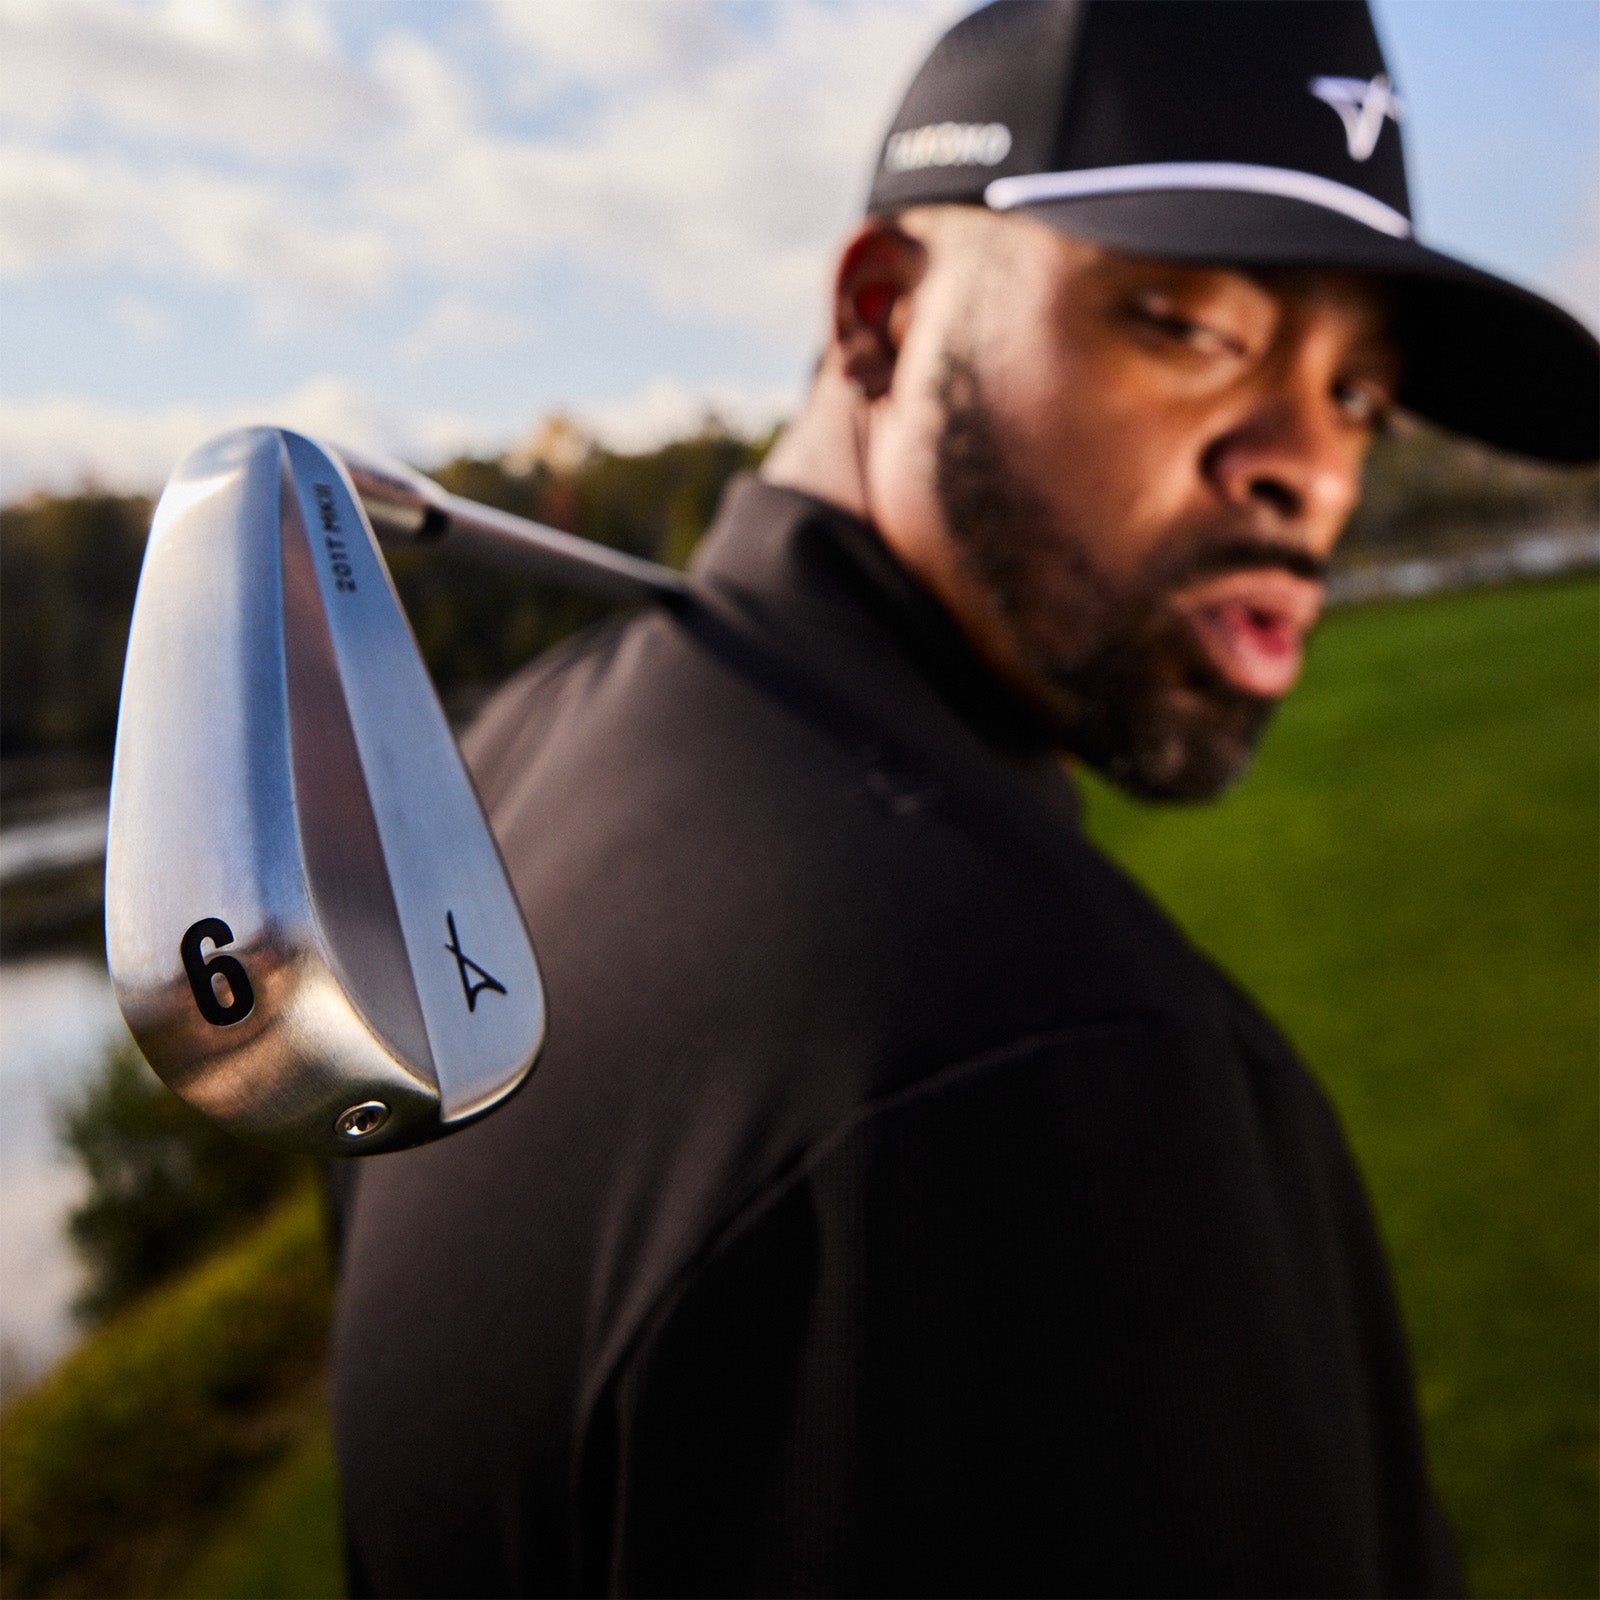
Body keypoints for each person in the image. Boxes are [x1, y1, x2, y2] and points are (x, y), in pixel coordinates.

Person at [329, 3, 1598, 1595]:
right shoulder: (1048, 1058)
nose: (1311, 470)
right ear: (882, 315)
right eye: (1194, 327)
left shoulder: (511, 763)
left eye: (1358, 393)